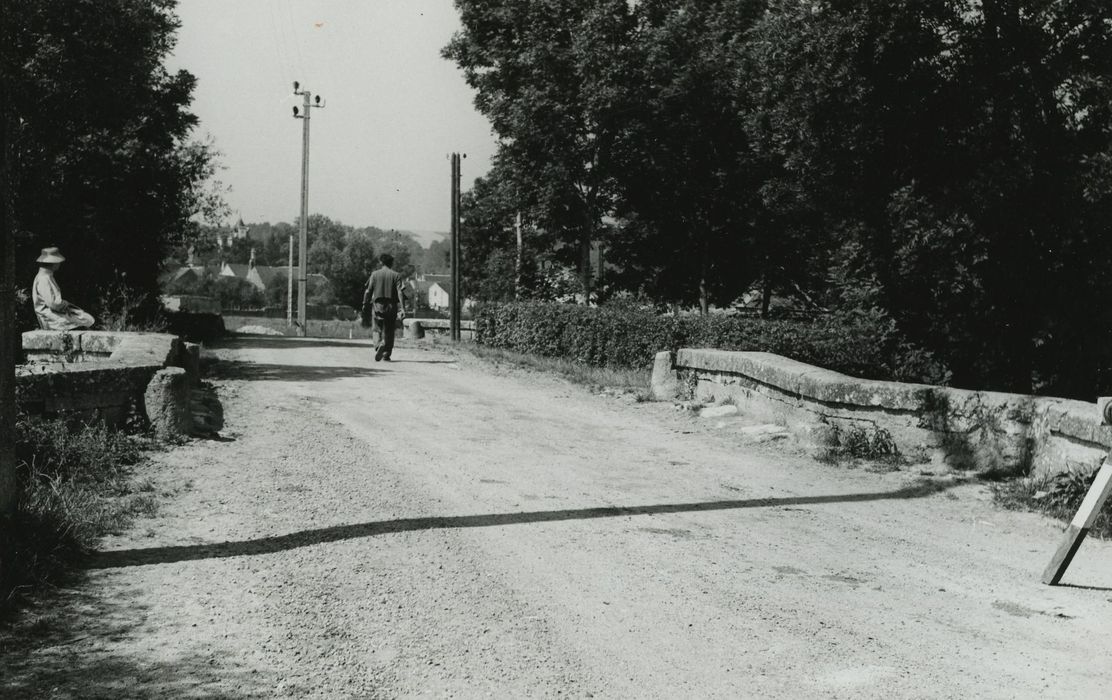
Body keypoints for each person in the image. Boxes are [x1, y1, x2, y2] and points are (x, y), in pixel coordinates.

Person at [31, 246, 95, 331]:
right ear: (52, 263)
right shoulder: (44, 279)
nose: (59, 264)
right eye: (58, 262)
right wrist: (66, 305)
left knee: (85, 317)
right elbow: (53, 304)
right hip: (50, 318)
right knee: (85, 321)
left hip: (53, 314)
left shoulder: (46, 276)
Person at [362, 253, 405, 361]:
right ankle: (386, 353)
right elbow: (400, 292)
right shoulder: (396, 275)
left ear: (381, 262)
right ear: (391, 263)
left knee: (377, 328)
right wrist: (403, 308)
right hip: (392, 305)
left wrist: (364, 303)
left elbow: (368, 291)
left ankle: (378, 345)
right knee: (390, 330)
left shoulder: (375, 274)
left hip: (378, 305)